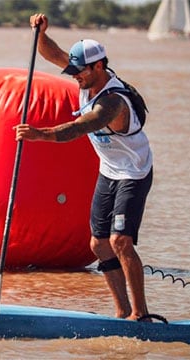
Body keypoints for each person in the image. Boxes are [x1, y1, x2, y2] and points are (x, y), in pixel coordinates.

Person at [15, 14, 154, 321]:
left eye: (80, 71)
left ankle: (141, 315)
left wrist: (39, 134)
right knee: (98, 244)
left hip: (134, 171)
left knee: (120, 241)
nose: (73, 75)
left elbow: (77, 129)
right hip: (109, 169)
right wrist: (41, 33)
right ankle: (122, 312)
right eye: (74, 69)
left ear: (99, 67)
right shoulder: (85, 74)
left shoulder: (113, 103)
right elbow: (52, 54)